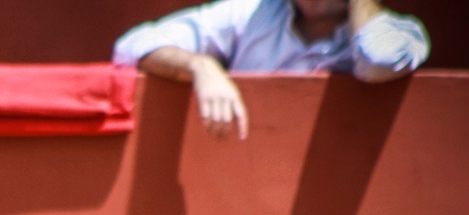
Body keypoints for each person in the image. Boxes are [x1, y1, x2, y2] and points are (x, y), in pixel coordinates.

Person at [112, 0, 430, 139]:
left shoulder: (404, 32)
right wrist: (201, 66)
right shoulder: (253, 11)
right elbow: (131, 46)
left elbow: (378, 61)